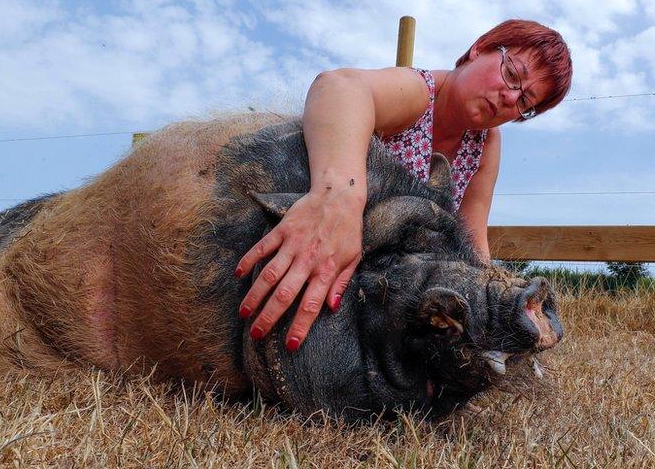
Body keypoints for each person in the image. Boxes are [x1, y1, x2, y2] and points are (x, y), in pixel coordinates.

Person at [235, 19, 572, 351]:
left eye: (525, 103)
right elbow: (339, 87)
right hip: (336, 245)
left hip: (391, 285)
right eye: (511, 74)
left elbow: (473, 237)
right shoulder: (418, 93)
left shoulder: (486, 145)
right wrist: (339, 199)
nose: (510, 98)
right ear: (478, 49)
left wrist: (496, 305)